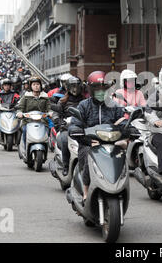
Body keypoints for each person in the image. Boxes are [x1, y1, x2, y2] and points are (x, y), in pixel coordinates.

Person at [68, 71, 125, 205]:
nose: (101, 92)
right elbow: (74, 125)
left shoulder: (114, 105)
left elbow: (122, 121)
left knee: (121, 157)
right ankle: (86, 191)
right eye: (97, 89)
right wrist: (84, 138)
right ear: (91, 90)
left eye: (103, 88)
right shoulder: (84, 105)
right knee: (88, 157)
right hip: (89, 143)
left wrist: (127, 129)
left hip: (111, 142)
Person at [53, 76, 86, 176]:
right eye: (72, 87)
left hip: (82, 128)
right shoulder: (62, 101)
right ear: (68, 88)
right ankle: (66, 166)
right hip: (66, 128)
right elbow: (56, 114)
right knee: (64, 140)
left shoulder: (86, 101)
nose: (75, 89)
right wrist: (59, 121)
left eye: (77, 86)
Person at [16, 76, 53, 151]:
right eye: (34, 84)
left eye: (38, 84)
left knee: (48, 131)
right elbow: (20, 108)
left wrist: (50, 113)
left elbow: (49, 108)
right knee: (25, 130)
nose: (36, 86)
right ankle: (25, 148)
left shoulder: (45, 97)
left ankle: (46, 148)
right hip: (28, 121)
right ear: (31, 86)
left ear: (40, 85)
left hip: (42, 121)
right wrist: (19, 113)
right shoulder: (26, 96)